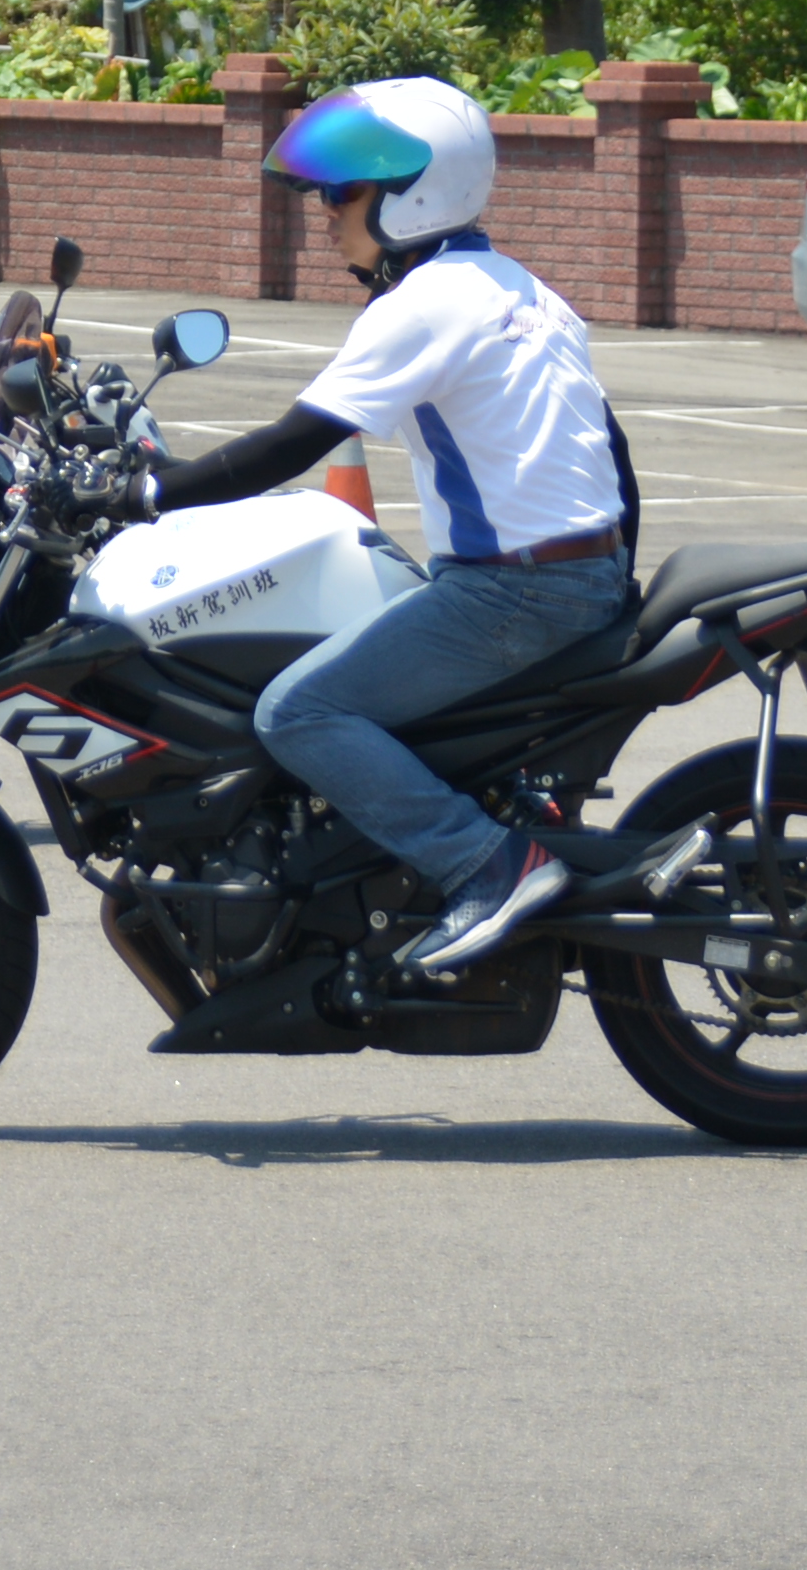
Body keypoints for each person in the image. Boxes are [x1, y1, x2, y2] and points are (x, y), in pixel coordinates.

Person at [133, 77, 640, 978]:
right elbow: (613, 447)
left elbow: (295, 442)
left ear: (413, 192)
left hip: (515, 591)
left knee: (298, 709)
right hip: (569, 575)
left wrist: (150, 492)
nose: (326, 214)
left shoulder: (422, 303)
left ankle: (486, 864)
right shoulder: (519, 287)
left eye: (343, 191)